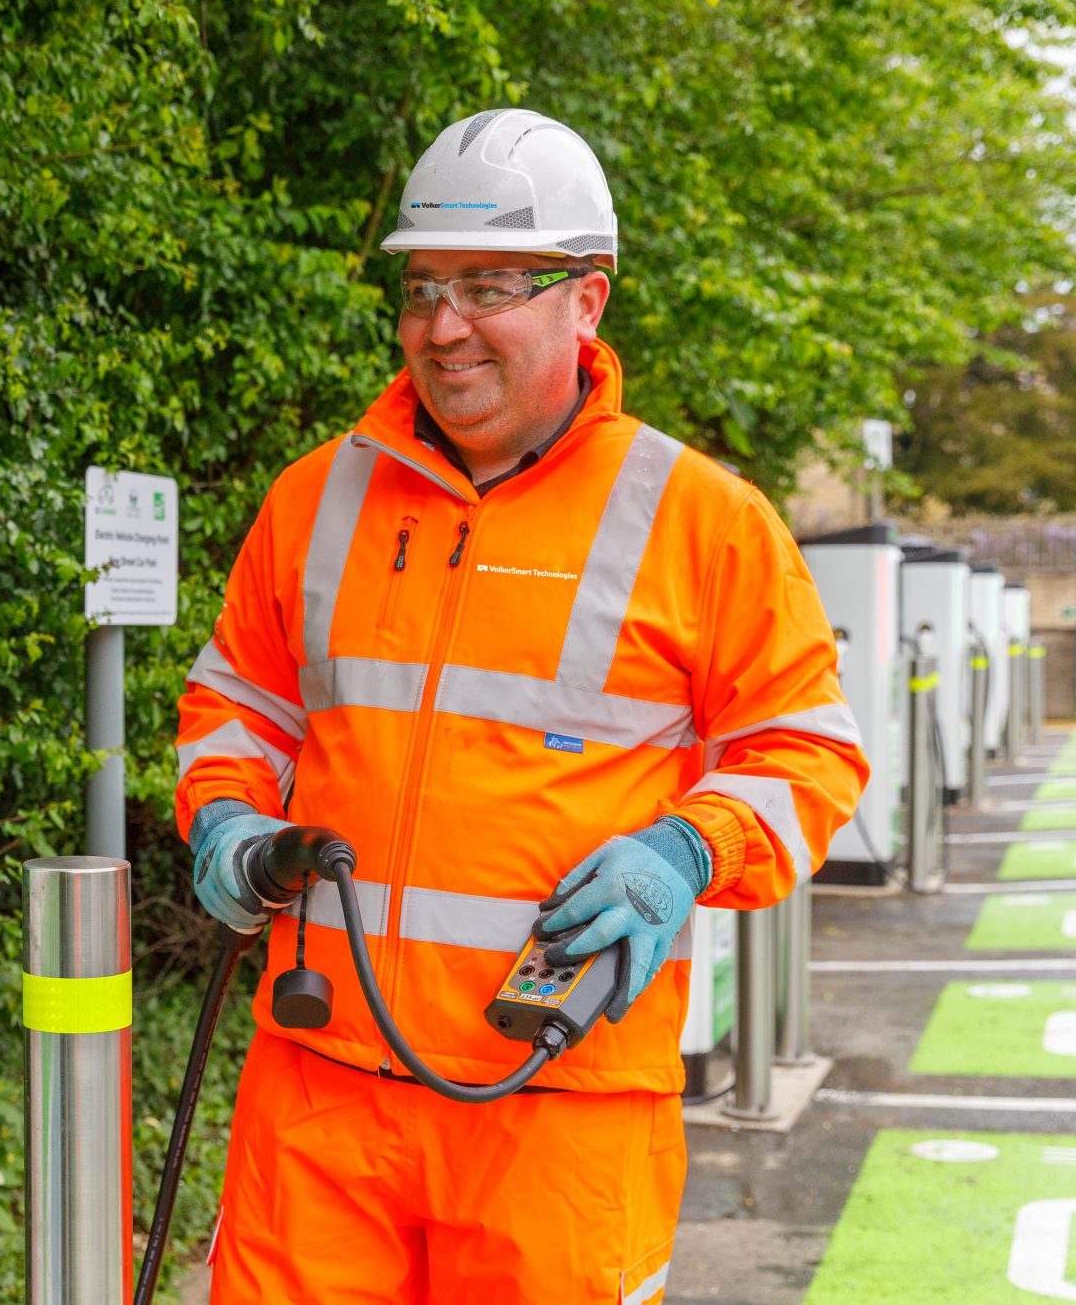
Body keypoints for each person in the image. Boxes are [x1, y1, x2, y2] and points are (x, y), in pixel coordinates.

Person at [173, 107, 867, 1304]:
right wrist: (225, 820)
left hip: (557, 1110)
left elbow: (806, 748)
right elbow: (235, 708)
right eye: (421, 286)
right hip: (321, 1096)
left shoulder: (699, 519)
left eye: (486, 285)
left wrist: (683, 850)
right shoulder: (314, 499)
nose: (441, 328)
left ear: (583, 301)